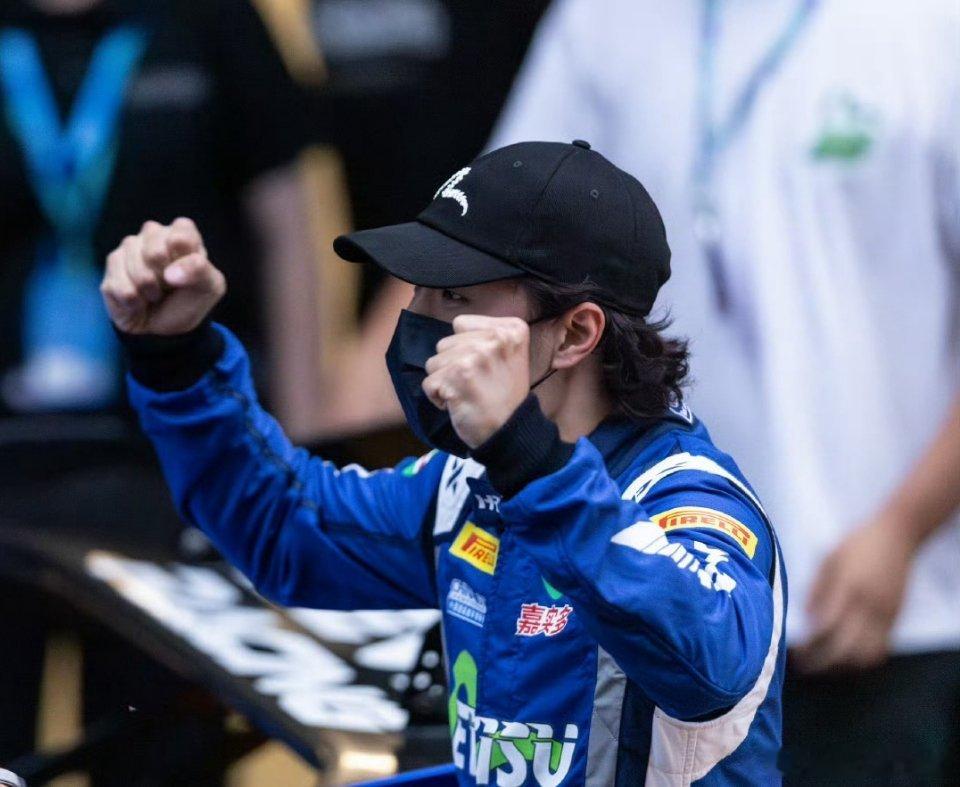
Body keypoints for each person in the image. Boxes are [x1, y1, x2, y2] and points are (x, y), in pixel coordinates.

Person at [102, 140, 788, 784]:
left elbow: (712, 661)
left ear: (575, 333)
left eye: (454, 295)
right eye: (417, 289)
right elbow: (289, 528)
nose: (417, 320)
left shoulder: (691, 499)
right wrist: (177, 357)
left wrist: (530, 460)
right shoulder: (471, 484)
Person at [487, 1, 960, 783]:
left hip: (877, 619)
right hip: (648, 608)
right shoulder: (601, 20)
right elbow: (486, 241)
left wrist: (902, 529)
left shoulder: (933, 26)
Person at [0, 0, 319, 780]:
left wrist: (303, 454)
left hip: (169, 476)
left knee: (164, 757)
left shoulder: (211, 19)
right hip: (5, 473)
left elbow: (287, 226)